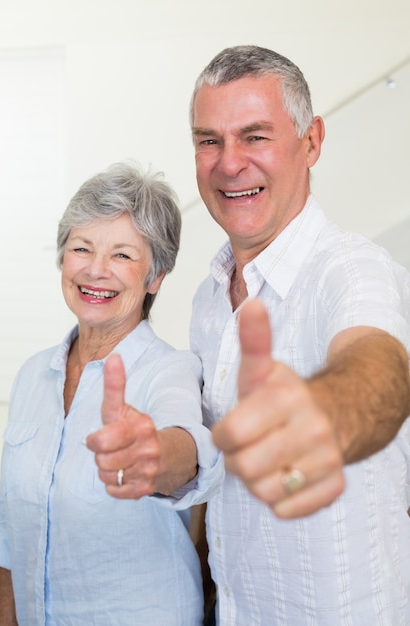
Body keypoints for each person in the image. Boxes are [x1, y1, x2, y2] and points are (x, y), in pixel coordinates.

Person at [188, 45, 410, 624]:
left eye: (255, 136)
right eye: (209, 140)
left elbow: (378, 368)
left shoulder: (352, 268)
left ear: (311, 142)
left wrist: (321, 416)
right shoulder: (208, 300)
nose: (229, 163)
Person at [0, 162, 223, 625]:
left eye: (122, 255)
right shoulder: (32, 375)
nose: (96, 270)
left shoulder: (170, 370)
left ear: (155, 278)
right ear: (63, 259)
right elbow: (9, 530)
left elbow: (186, 452)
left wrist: (150, 455)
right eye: (82, 248)